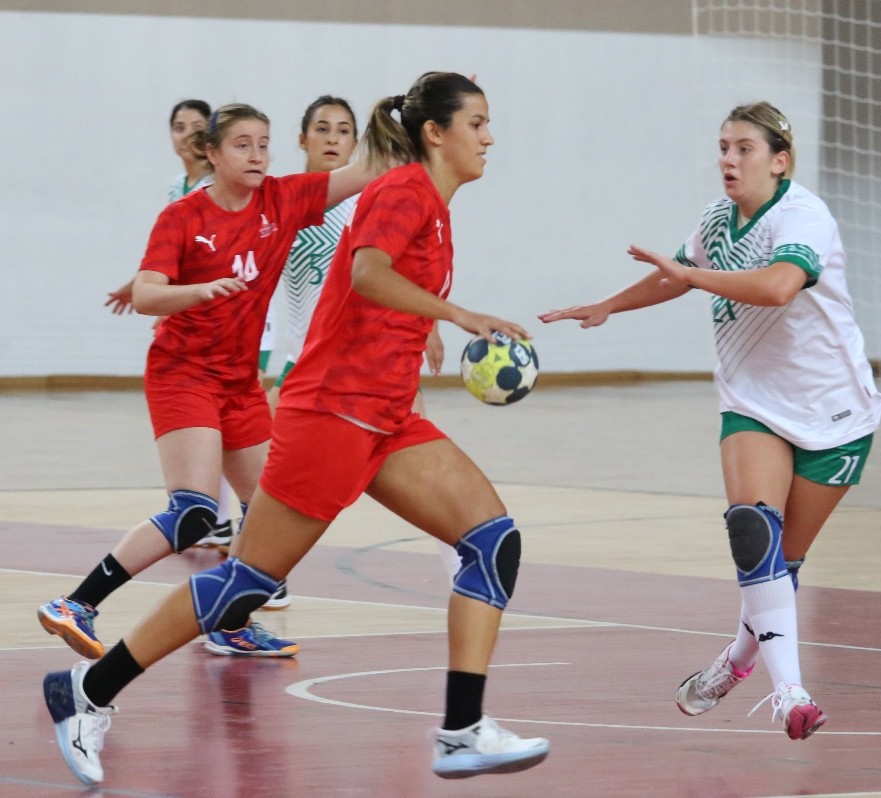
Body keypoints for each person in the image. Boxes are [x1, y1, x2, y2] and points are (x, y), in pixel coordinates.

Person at [43, 72, 550, 786]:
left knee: (493, 542)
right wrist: (457, 314)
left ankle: (462, 731)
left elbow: (383, 292)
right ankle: (87, 691)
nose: (489, 137)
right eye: (478, 123)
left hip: (386, 417)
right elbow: (368, 272)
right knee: (245, 583)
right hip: (333, 416)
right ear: (436, 134)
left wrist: (432, 324)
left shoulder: (434, 207)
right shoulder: (403, 192)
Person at [540, 101, 881, 740]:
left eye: (744, 148)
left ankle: (736, 661)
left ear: (780, 161)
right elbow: (676, 277)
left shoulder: (802, 215)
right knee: (753, 533)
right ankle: (791, 694)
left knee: (782, 565)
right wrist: (609, 305)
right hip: (752, 402)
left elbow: (780, 285)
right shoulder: (715, 220)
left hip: (834, 411)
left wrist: (695, 275)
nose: (728, 159)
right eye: (723, 147)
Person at [38, 101, 379, 662]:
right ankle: (76, 603)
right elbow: (146, 294)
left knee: (270, 515)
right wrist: (197, 291)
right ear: (213, 153)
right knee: (194, 511)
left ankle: (230, 623)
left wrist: (424, 112)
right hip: (183, 374)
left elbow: (368, 169)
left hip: (239, 383)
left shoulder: (284, 199)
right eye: (242, 145)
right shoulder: (184, 217)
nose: (257, 155)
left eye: (264, 144)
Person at [267, 93, 460, 581]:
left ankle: (463, 565)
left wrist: (432, 326)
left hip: (373, 366)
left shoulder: (373, 198)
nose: (333, 139)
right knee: (269, 486)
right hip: (302, 368)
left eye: (344, 131)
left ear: (358, 142)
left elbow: (412, 263)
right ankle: (257, 581)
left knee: (428, 477)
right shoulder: (289, 203)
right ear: (302, 139)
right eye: (323, 129)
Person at [104, 99, 241, 553]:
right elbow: (172, 255)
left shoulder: (218, 188)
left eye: (197, 126)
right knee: (213, 427)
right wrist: (137, 287)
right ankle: (218, 518)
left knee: (231, 425)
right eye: (178, 126)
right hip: (195, 319)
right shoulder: (177, 190)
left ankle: (226, 520)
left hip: (234, 322)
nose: (187, 134)